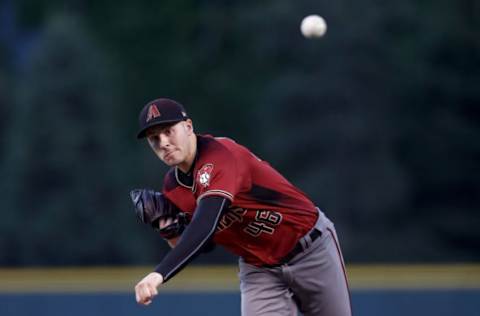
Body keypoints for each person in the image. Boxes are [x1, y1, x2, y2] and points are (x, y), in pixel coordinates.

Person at [132, 98, 352, 316]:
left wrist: (159, 274)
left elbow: (205, 224)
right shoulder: (173, 187)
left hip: (310, 248)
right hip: (259, 268)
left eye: (169, 131)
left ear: (188, 126)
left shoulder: (221, 155)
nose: (163, 143)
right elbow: (205, 244)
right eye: (154, 138)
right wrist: (168, 230)